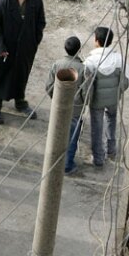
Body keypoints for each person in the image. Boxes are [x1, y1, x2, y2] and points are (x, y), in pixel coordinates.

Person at [0, 0, 46, 123]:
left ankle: (20, 102)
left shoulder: (36, 2)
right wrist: (0, 47)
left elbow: (40, 23)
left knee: (21, 76)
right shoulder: (1, 4)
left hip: (25, 49)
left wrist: (34, 41)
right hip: (5, 50)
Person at [84, 27, 127, 167]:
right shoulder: (119, 58)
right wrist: (118, 91)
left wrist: (88, 99)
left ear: (96, 40)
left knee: (97, 127)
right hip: (113, 99)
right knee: (112, 120)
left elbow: (87, 84)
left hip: (97, 101)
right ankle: (111, 149)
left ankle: (98, 158)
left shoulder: (90, 61)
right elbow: (126, 79)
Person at [46, 36, 84, 174]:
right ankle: (67, 165)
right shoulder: (82, 68)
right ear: (79, 50)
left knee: (56, 134)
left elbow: (49, 86)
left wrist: (55, 98)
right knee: (72, 137)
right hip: (75, 109)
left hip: (58, 106)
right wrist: (82, 103)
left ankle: (52, 162)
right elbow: (86, 91)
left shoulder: (57, 64)